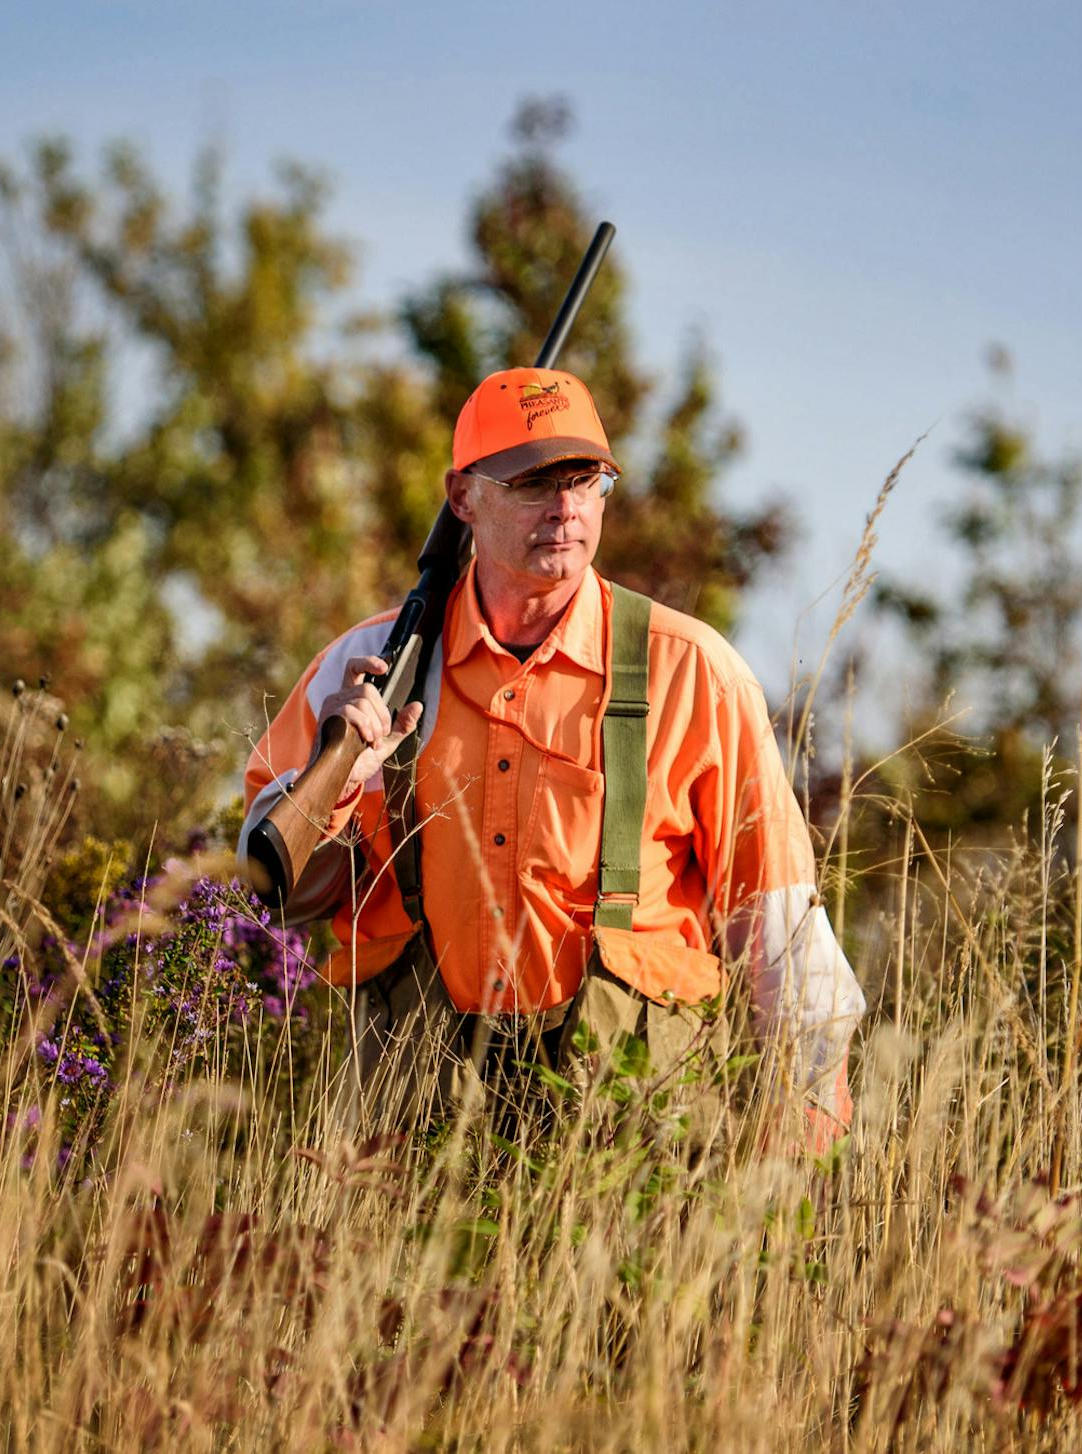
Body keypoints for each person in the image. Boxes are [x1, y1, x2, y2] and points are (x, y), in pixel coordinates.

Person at [238, 366, 864, 1148]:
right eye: (534, 481)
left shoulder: (692, 670)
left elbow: (781, 938)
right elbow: (276, 893)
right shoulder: (364, 667)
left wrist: (808, 1150)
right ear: (462, 497)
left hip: (628, 1137)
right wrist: (337, 784)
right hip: (410, 1129)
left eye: (585, 479)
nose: (565, 508)